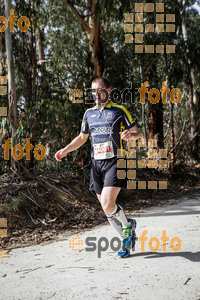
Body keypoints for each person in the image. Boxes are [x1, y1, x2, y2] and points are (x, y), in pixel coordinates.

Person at [55, 77, 142, 258]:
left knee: (107, 203)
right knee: (106, 208)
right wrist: (65, 150)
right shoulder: (88, 114)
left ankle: (127, 227)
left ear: (108, 91)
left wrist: (130, 135)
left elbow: (137, 132)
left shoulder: (119, 110)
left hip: (116, 162)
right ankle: (126, 237)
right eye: (93, 91)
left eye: (100, 90)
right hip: (97, 164)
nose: (96, 94)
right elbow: (82, 138)